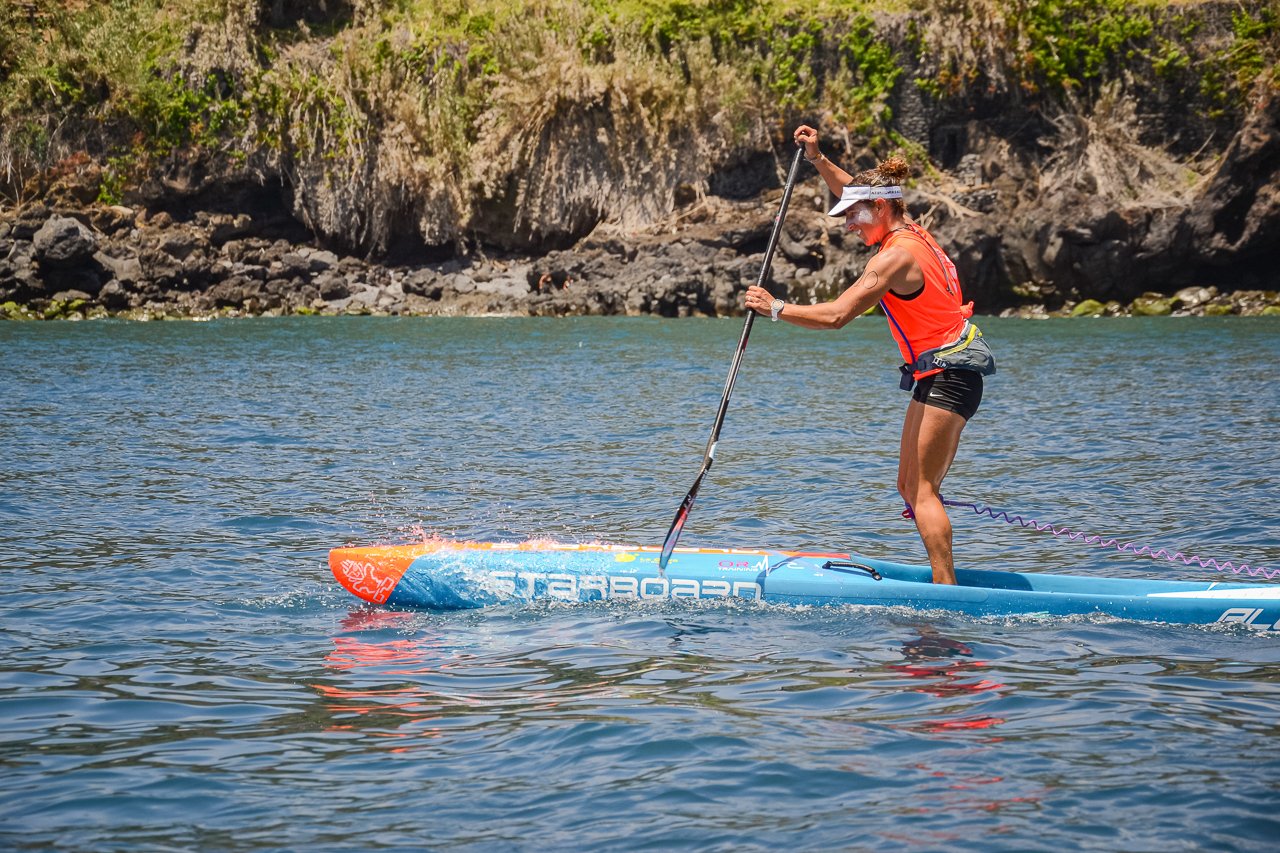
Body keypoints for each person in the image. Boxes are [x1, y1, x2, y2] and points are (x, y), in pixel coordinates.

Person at [743, 125, 996, 585]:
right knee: (908, 486)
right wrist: (818, 158)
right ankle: (943, 581)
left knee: (922, 490)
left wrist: (776, 308)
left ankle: (947, 591)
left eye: (853, 216)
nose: (848, 225)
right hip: (937, 373)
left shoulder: (893, 258)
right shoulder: (909, 227)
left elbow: (837, 315)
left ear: (880, 207)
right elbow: (853, 191)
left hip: (952, 373)